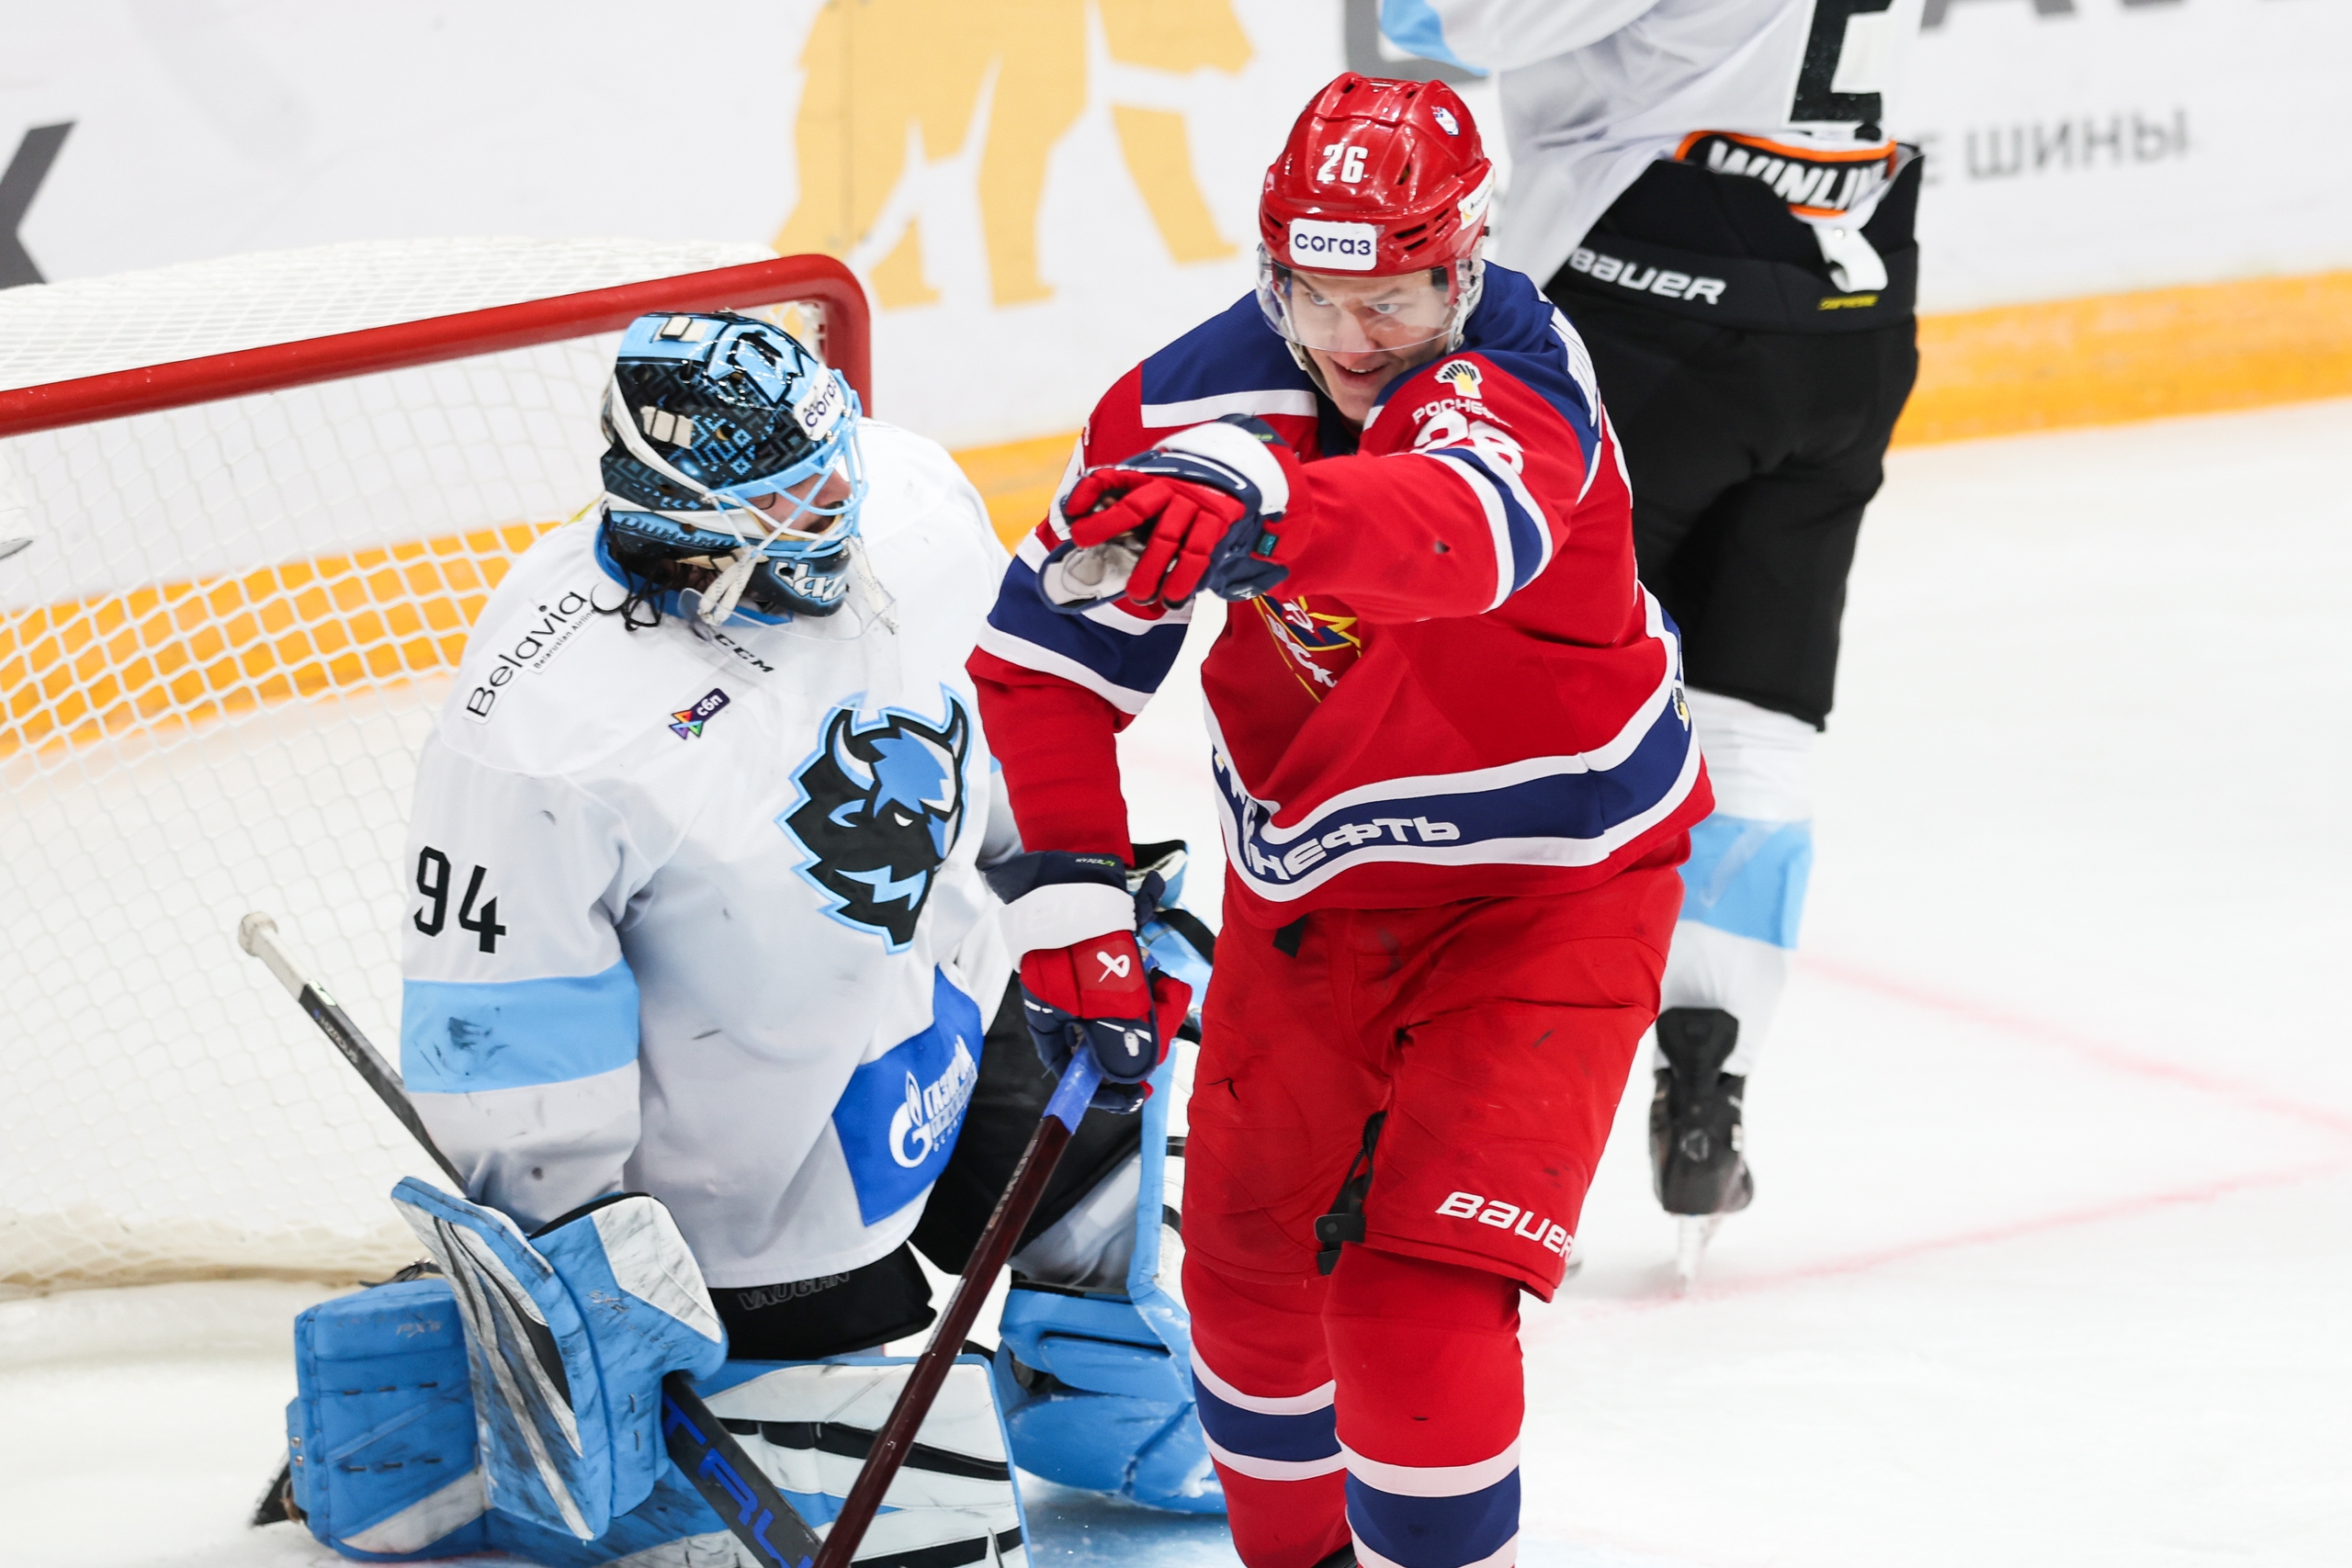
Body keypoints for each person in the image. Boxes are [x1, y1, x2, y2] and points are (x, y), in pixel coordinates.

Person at [971, 73, 1710, 1568]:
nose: (1355, 338)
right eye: (1316, 297)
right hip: (1310, 897)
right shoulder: (1177, 409)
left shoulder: (1524, 374)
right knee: (1245, 1287)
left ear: (1467, 268)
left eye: (1394, 299)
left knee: (1410, 1304)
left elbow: (1459, 534)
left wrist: (1271, 513)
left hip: (1550, 888)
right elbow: (1043, 665)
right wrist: (1075, 911)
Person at [359, 310, 1214, 1565]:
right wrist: (581, 1266)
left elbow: (997, 705)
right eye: (790, 497)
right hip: (747, 1169)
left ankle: (1115, 1414)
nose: (836, 511)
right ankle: (496, 1420)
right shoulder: (542, 725)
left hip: (951, 998)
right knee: (867, 1475)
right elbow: (511, 1023)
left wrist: (1069, 888)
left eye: (834, 469)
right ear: (678, 512)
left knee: (1155, 1267)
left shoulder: (910, 500)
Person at [1381, 0, 1926, 1258]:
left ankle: (1491, 1157)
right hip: (1851, 296)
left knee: (1521, 725)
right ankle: (1711, 1069)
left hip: (1652, 300)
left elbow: (1454, 23)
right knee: (1756, 720)